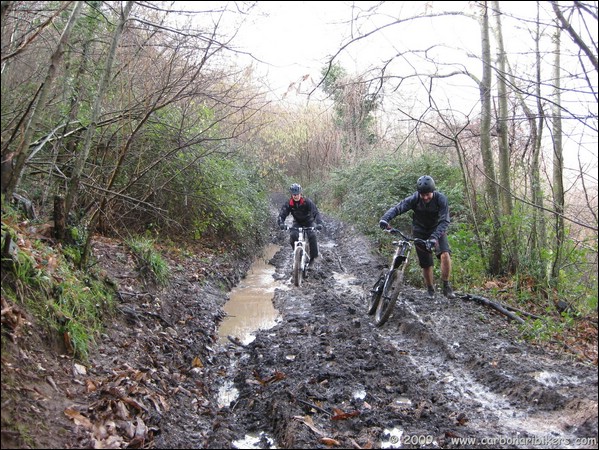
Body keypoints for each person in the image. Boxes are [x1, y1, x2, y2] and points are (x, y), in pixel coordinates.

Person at [378, 175, 456, 299]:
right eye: (422, 194)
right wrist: (385, 219)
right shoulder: (415, 198)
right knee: (426, 264)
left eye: (428, 194)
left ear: (433, 191)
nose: (425, 197)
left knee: (445, 254)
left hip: (437, 230)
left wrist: (434, 237)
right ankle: (430, 289)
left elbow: (444, 221)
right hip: (420, 231)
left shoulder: (441, 199)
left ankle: (446, 286)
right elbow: (398, 208)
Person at [278, 183, 324, 268]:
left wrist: (319, 223)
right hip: (297, 222)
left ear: (300, 193)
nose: (296, 196)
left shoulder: (307, 202)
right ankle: (297, 253)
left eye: (297, 194)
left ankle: (313, 258)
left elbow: (316, 213)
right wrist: (281, 223)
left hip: (308, 221)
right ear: (291, 194)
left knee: (312, 235)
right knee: (293, 235)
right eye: (294, 194)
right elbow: (282, 214)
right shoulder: (289, 203)